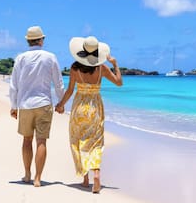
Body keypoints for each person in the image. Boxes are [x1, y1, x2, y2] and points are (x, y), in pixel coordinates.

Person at [55, 36, 122, 193]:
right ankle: (96, 173)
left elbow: (70, 90)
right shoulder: (102, 68)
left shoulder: (74, 68)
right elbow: (119, 83)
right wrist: (115, 64)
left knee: (77, 140)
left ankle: (85, 179)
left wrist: (60, 105)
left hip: (79, 107)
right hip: (95, 107)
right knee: (95, 142)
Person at [9, 26, 65, 187]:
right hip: (44, 104)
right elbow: (58, 83)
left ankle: (27, 175)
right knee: (41, 141)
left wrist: (13, 106)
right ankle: (38, 178)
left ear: (28, 41)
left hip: (25, 104)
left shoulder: (20, 58)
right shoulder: (50, 57)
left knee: (27, 140)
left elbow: (14, 84)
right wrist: (61, 103)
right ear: (41, 40)